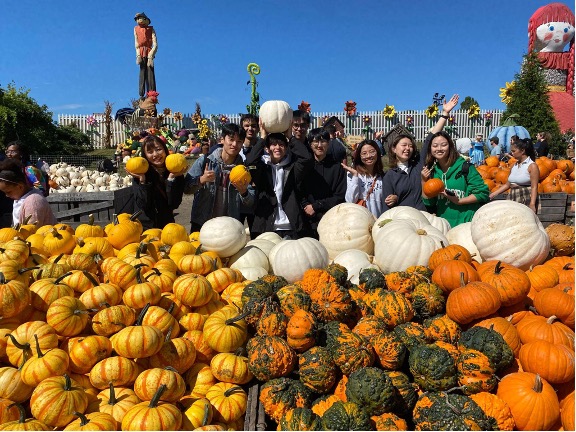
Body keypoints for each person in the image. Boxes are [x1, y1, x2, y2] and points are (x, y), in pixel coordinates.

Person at [382, 94, 460, 212]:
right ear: (394, 149)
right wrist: (395, 199)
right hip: (403, 221)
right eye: (404, 145)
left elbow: (430, 138)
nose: (407, 148)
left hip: (425, 217)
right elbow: (386, 207)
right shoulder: (390, 176)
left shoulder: (419, 165)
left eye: (410, 146)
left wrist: (444, 114)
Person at [245, 126, 313, 239]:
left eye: (281, 145)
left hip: (291, 225)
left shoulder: (293, 168)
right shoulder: (262, 168)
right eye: (273, 144)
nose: (277, 147)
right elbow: (250, 161)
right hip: (267, 225)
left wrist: (290, 137)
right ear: (267, 149)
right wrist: (262, 138)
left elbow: (307, 158)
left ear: (286, 148)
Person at [185, 123, 255, 232]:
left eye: (239, 141)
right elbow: (186, 188)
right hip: (202, 224)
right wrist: (201, 180)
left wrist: (244, 192)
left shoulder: (243, 169)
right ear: (222, 140)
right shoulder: (205, 162)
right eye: (231, 139)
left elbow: (250, 201)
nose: (234, 144)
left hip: (227, 229)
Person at [421, 132, 490, 228]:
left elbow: (483, 193)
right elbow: (429, 203)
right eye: (435, 146)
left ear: (450, 147)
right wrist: (424, 181)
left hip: (466, 225)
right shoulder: (432, 172)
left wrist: (459, 201)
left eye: (444, 145)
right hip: (444, 226)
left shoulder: (465, 167)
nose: (439, 149)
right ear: (430, 149)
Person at [126, 135, 186, 229]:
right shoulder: (141, 173)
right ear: (145, 155)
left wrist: (170, 179)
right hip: (144, 227)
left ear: (165, 150)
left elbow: (174, 204)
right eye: (150, 152)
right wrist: (142, 181)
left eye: (158, 149)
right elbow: (143, 205)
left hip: (166, 226)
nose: (155, 154)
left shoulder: (176, 173)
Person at [300, 128, 346, 238]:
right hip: (307, 220)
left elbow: (339, 196)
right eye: (316, 141)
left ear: (328, 143)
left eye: (323, 141)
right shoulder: (304, 166)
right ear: (310, 144)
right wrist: (306, 205)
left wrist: (316, 206)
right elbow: (299, 190)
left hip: (331, 219)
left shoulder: (337, 168)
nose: (320, 145)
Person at [489, 138, 540, 213]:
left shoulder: (532, 166)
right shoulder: (514, 165)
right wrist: (493, 194)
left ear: (522, 151)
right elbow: (507, 184)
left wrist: (532, 204)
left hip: (525, 196)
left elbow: (534, 186)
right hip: (513, 195)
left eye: (514, 151)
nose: (511, 153)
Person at [0, 158, 56, 227]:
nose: (7, 195)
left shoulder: (33, 202)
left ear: (20, 186)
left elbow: (31, 230)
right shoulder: (19, 198)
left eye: (8, 192)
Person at [342, 139, 385, 217]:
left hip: (378, 222)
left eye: (372, 151)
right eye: (364, 153)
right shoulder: (352, 175)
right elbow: (350, 201)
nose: (368, 156)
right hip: (360, 222)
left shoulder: (382, 176)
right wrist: (355, 176)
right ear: (359, 156)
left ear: (377, 153)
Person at [134, 12, 157, 99]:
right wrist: (138, 55)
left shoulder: (151, 29)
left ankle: (152, 93)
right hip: (141, 52)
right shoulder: (136, 29)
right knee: (142, 72)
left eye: (140, 18)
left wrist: (151, 56)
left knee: (150, 72)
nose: (138, 20)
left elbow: (155, 44)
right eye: (137, 19)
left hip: (149, 52)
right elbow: (136, 44)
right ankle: (141, 94)